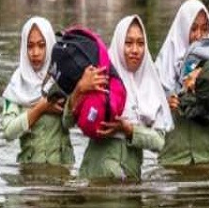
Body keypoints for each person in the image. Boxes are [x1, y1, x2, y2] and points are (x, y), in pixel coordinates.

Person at [64, 15, 174, 181]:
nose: (135, 50)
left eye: (140, 43)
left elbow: (160, 143)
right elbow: (67, 122)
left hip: (130, 181)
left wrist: (128, 129)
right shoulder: (99, 75)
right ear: (118, 44)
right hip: (96, 179)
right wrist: (79, 90)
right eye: (128, 43)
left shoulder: (150, 86)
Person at [155, 0, 209, 166]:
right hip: (173, 159)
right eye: (193, 28)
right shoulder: (161, 67)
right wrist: (166, 103)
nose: (199, 36)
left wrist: (206, 77)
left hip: (208, 156)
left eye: (204, 29)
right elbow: (148, 117)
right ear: (182, 29)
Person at [2, 16, 74, 165]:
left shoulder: (62, 79)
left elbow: (72, 122)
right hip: (29, 175)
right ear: (24, 48)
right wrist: (40, 108)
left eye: (41, 45)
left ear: (50, 46)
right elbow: (8, 132)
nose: (35, 52)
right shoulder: (16, 86)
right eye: (30, 46)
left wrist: (77, 94)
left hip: (62, 173)